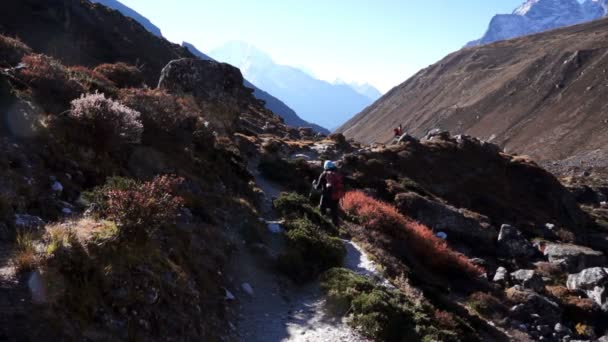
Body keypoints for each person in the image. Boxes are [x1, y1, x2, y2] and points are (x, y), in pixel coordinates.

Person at [314, 160, 344, 225]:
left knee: (322, 209)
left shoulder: (323, 174)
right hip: (335, 196)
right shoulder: (336, 174)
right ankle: (336, 229)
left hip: (326, 196)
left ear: (325, 167)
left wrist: (314, 184)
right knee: (334, 213)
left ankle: (324, 225)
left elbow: (317, 187)